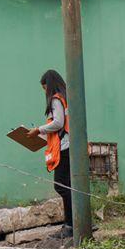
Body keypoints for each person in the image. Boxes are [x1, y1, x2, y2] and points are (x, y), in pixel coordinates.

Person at [35, 69, 73, 240]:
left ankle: (71, 225)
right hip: (71, 146)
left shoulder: (56, 99)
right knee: (71, 187)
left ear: (48, 86)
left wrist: (38, 129)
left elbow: (58, 123)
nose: (44, 92)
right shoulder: (67, 97)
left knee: (62, 187)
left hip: (64, 148)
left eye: (44, 88)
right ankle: (77, 222)